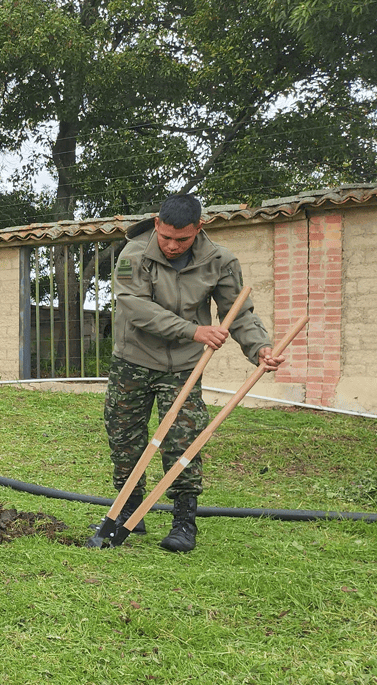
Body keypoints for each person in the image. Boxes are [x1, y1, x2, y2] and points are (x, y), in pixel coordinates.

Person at [93, 193, 283, 553]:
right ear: (157, 224)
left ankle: (183, 522)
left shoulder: (221, 261)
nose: (171, 245)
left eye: (182, 239)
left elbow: (238, 312)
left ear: (200, 227)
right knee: (124, 438)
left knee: (184, 441)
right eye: (165, 236)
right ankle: (127, 512)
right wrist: (193, 330)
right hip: (133, 360)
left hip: (184, 368)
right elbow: (134, 307)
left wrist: (259, 347)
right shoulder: (134, 252)